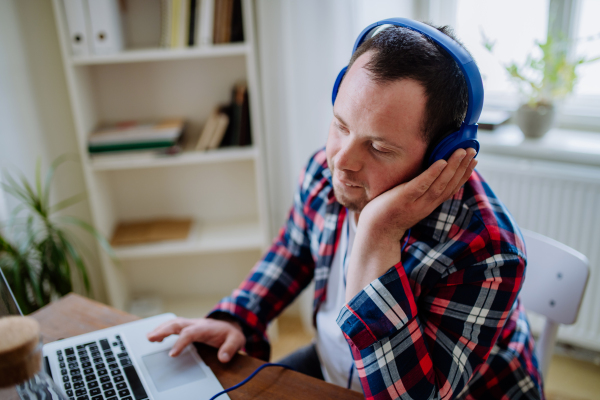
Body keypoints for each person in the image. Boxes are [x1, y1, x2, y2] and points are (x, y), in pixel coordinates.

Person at [148, 21, 544, 399]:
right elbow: (292, 252)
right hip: (333, 366)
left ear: (442, 155)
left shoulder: (488, 251)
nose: (341, 161)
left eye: (379, 148)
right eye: (340, 125)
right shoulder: (327, 171)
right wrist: (235, 318)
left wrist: (376, 237)